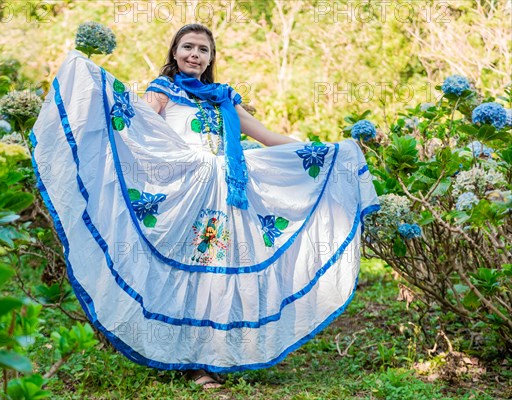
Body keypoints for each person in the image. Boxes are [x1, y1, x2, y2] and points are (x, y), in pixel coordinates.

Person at [31, 23, 379, 391]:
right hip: (182, 197)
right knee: (187, 274)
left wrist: (328, 152)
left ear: (212, 58)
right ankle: (188, 360)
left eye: (202, 49)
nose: (194, 55)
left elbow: (269, 138)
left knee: (215, 277)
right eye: (188, 47)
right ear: (175, 52)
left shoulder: (224, 100)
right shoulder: (162, 92)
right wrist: (90, 79)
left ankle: (211, 356)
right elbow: (132, 126)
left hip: (225, 197)